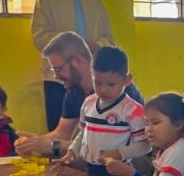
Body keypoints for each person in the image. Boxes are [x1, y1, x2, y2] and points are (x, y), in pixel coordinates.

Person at [15, 32, 143, 158]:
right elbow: (61, 133)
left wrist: (52, 146)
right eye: (53, 70)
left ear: (76, 60)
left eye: (58, 69)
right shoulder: (74, 91)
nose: (56, 76)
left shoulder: (115, 89)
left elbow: (103, 144)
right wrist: (32, 143)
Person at [32, 0, 116, 131]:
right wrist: (73, 44)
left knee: (95, 128)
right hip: (59, 79)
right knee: (60, 130)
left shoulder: (94, 1)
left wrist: (96, 45)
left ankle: (89, 159)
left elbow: (109, 38)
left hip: (92, 76)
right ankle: (59, 159)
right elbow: (39, 37)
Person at [52, 47, 150, 176]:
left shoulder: (132, 110)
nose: (103, 90)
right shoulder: (88, 103)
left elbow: (145, 146)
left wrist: (118, 153)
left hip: (119, 172)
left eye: (111, 84)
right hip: (91, 170)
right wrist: (71, 153)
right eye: (98, 83)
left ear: (127, 80)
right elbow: (83, 133)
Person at [103, 92, 184, 176]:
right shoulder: (167, 148)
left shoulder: (179, 151)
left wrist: (128, 173)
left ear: (178, 124)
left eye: (155, 122)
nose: (148, 129)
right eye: (146, 123)